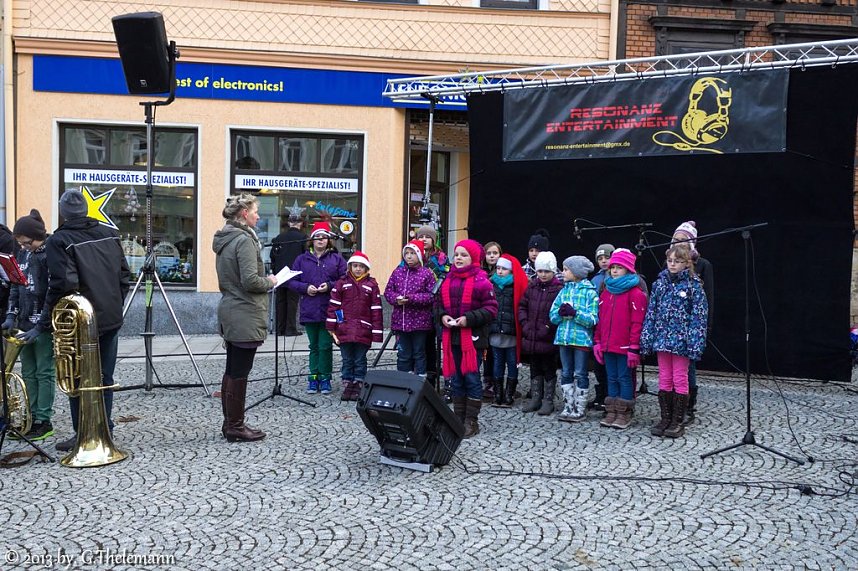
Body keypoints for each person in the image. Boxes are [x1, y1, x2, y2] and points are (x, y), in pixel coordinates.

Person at [39, 190, 130, 452]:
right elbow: (124, 275)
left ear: (63, 213)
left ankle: (83, 434)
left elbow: (62, 284)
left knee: (75, 376)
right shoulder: (110, 233)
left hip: (81, 320)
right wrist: (115, 303)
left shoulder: (60, 240)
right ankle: (105, 429)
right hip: (111, 317)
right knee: (104, 376)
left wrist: (45, 320)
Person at [213, 193, 277, 442]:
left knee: (233, 369)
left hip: (232, 309)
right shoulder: (244, 240)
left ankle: (231, 423)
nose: (258, 215)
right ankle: (235, 426)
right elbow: (251, 281)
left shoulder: (227, 238)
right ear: (243, 214)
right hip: (244, 312)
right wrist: (270, 281)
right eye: (255, 211)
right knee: (239, 371)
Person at [640, 244, 708, 438]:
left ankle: (678, 419)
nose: (672, 264)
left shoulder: (693, 286)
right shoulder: (659, 284)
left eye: (677, 261)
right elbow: (651, 312)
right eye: (670, 261)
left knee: (680, 377)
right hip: (662, 339)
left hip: (682, 342)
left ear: (686, 263)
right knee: (664, 377)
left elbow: (699, 317)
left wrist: (694, 342)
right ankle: (665, 417)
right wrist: (647, 335)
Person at [2, 210, 55, 441]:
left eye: (26, 242)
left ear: (38, 237)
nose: (23, 247)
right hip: (24, 324)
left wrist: (41, 326)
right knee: (28, 372)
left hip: (42, 326)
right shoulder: (22, 255)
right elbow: (15, 286)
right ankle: (30, 417)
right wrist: (11, 316)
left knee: (44, 372)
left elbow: (53, 293)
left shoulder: (50, 255)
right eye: (20, 243)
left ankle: (44, 419)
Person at [437, 239, 497, 438]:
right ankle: (457, 418)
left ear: (473, 258)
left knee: (471, 378)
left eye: (464, 255)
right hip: (451, 336)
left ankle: (471, 420)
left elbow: (490, 309)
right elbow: (438, 305)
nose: (459, 258)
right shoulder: (448, 279)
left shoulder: (482, 281)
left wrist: (467, 319)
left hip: (473, 339)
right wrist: (442, 316)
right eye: (457, 255)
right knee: (456, 378)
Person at [592, 249, 648, 430]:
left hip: (625, 346)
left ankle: (624, 412)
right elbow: (600, 320)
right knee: (612, 377)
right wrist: (598, 342)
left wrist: (634, 347)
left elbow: (637, 322)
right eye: (613, 267)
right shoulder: (606, 291)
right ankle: (612, 410)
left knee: (624, 378)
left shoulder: (635, 293)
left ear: (629, 269)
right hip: (608, 345)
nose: (614, 270)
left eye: (619, 267)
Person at [289, 221, 347, 394]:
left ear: (329, 240)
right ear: (312, 240)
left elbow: (345, 279)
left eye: (324, 237)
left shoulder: (336, 259)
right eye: (317, 237)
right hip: (309, 308)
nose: (321, 240)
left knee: (325, 345)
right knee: (314, 345)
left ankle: (325, 378)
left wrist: (329, 286)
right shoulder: (301, 259)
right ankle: (313, 378)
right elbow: (292, 281)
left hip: (329, 309)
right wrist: (305, 288)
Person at [670, 221, 714, 426]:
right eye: (675, 240)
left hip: (690, 327)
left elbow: (709, 300)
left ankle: (688, 406)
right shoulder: (669, 264)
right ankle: (672, 404)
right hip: (670, 327)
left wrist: (705, 329)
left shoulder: (703, 265)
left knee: (689, 368)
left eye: (682, 240)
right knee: (671, 369)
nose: (678, 243)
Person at [326, 251, 383, 401]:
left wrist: (376, 332)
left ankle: (358, 382)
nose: (358, 269)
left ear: (366, 269)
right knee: (347, 359)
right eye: (355, 266)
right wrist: (338, 322)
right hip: (344, 329)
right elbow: (335, 306)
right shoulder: (342, 283)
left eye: (361, 266)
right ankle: (347, 382)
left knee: (360, 359)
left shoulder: (371, 285)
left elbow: (376, 310)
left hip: (363, 329)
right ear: (350, 266)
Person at [551, 255, 598, 423]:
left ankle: (579, 408)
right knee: (565, 372)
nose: (563, 272)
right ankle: (568, 406)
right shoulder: (563, 290)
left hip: (581, 341)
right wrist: (559, 314)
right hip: (563, 338)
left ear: (576, 272)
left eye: (566, 269)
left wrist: (576, 314)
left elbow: (593, 319)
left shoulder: (590, 293)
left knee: (581, 373)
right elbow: (552, 315)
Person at [384, 240, 436, 380]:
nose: (409, 256)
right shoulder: (397, 272)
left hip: (420, 322)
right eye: (406, 253)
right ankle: (403, 379)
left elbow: (431, 296)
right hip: (401, 322)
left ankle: (420, 379)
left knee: (419, 352)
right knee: (403, 353)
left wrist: (412, 299)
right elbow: (388, 291)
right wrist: (396, 299)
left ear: (419, 255)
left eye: (412, 253)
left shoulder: (426, 274)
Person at [519, 251, 562, 415]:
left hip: (548, 337)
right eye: (540, 271)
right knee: (534, 367)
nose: (543, 274)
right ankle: (536, 398)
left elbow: (558, 312)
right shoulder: (532, 287)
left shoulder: (558, 289)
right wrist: (525, 323)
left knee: (549, 368)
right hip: (532, 335)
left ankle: (548, 400)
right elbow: (522, 306)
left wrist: (548, 327)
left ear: (553, 271)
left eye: (547, 271)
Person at [488, 253, 527, 407]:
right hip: (496, 330)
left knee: (512, 363)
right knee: (497, 363)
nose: (500, 271)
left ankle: (509, 393)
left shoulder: (516, 286)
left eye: (503, 268)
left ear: (510, 271)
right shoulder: (491, 284)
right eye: (498, 268)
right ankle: (498, 393)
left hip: (510, 332)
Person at [415, 224, 449, 395]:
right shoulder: (411, 255)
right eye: (421, 237)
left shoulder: (441, 258)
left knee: (436, 344)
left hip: (437, 306)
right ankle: (421, 376)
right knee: (422, 344)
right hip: (418, 309)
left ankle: (434, 375)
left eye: (427, 237)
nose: (424, 240)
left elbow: (447, 277)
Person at [588, 243, 614, 412]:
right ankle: (600, 394)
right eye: (600, 258)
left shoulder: (616, 276)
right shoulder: (595, 280)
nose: (604, 261)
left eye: (607, 257)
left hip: (611, 327)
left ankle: (610, 398)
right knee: (598, 364)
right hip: (597, 326)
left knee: (610, 365)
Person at [270, 214, 306, 336]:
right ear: (300, 224)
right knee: (292, 302)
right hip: (294, 274)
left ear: (289, 223)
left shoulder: (279, 237)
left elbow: (273, 256)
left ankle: (280, 329)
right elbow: (306, 257)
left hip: (280, 274)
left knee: (280, 302)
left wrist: (275, 271)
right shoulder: (303, 237)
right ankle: (290, 329)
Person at [481, 241, 503, 401]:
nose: (492, 256)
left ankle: (498, 382)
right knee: (486, 354)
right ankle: (487, 382)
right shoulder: (481, 273)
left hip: (498, 320)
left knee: (497, 354)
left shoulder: (503, 273)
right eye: (489, 253)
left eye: (495, 253)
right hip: (484, 320)